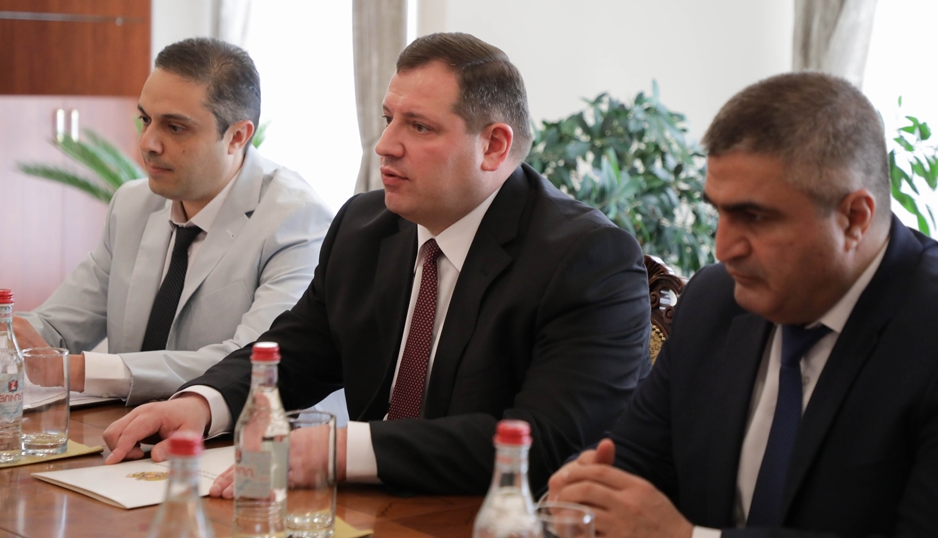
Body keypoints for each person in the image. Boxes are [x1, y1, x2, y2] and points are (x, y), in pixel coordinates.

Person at [101, 32, 652, 496]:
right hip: (369, 511)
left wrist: (343, 450)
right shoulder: (366, 226)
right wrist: (204, 403)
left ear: (493, 147)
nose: (385, 145)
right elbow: (297, 351)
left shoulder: (587, 260)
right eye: (388, 119)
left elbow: (545, 442)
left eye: (419, 127)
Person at [548, 71, 938, 538]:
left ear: (854, 218)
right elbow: (635, 459)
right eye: (719, 211)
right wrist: (588, 492)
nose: (723, 248)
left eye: (754, 217)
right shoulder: (714, 301)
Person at [0, 38, 333, 405]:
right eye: (146, 119)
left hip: (229, 440)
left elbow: (253, 363)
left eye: (175, 127)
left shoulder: (295, 220)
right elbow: (59, 326)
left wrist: (73, 369)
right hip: (119, 430)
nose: (148, 143)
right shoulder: (132, 204)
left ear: (237, 136)